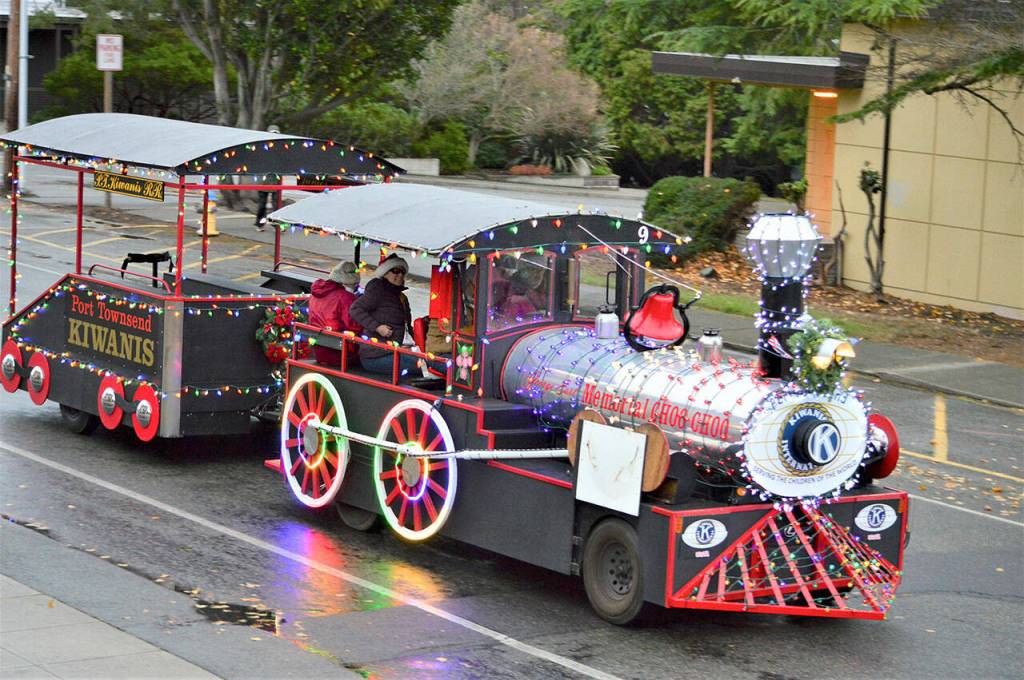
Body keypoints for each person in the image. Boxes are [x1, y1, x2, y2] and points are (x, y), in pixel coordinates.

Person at [349, 254, 423, 376]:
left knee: (426, 361)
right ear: (385, 273)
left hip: (395, 350)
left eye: (403, 272)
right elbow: (355, 309)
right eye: (396, 271)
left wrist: (416, 343)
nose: (400, 275)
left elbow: (406, 326)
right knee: (423, 366)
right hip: (375, 355)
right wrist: (377, 327)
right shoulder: (377, 290)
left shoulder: (401, 297)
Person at [308, 261, 362, 367]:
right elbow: (354, 326)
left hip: (319, 350)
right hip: (339, 354)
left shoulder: (317, 293)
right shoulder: (345, 296)